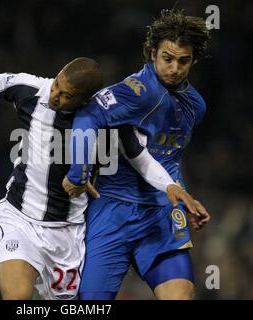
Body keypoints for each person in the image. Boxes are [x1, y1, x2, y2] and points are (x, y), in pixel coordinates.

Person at [0, 57, 201, 300]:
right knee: (17, 296)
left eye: (66, 95)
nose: (55, 96)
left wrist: (170, 185)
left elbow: (139, 157)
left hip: (67, 235)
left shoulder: (107, 118)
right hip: (21, 219)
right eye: (57, 86)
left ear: (85, 100)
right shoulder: (33, 91)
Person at [63, 9, 211, 300]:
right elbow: (87, 116)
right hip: (111, 210)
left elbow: (168, 157)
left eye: (184, 61)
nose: (175, 68)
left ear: (193, 61)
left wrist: (183, 196)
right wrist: (79, 169)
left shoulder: (196, 106)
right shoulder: (137, 90)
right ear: (153, 53)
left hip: (160, 212)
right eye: (167, 58)